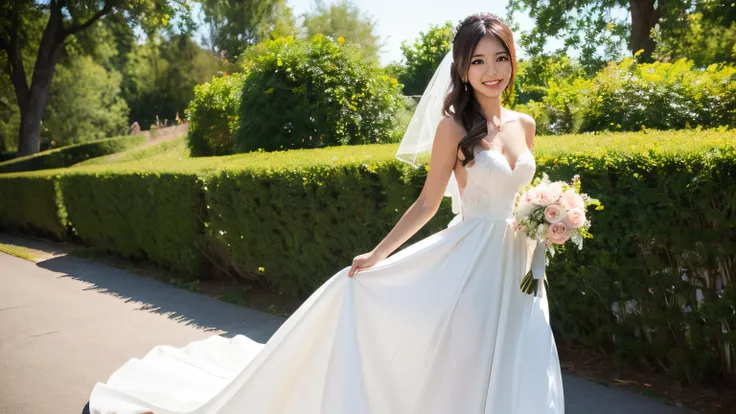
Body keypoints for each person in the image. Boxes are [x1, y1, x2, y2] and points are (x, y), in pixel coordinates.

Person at [88, 12, 565, 414]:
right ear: (462, 69)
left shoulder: (525, 124)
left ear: (512, 59)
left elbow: (520, 195)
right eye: (478, 60)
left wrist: (548, 217)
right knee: (470, 359)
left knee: (521, 352)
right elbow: (427, 202)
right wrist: (378, 255)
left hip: (519, 262)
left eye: (500, 56)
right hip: (472, 265)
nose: (492, 70)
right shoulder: (452, 127)